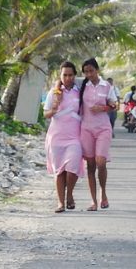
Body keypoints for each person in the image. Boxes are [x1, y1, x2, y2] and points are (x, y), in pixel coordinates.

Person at [43, 61, 84, 213]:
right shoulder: (53, 93)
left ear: (75, 76)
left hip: (74, 135)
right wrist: (54, 107)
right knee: (59, 170)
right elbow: (46, 114)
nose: (68, 78)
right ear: (60, 76)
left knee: (72, 168)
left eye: (70, 75)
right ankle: (60, 202)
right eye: (65, 75)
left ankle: (70, 194)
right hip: (56, 135)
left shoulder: (79, 92)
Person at [79, 58, 117, 211]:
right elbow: (62, 81)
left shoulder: (106, 86)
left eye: (91, 71)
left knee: (101, 162)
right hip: (86, 128)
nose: (89, 74)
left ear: (97, 70)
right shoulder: (81, 84)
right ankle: (93, 201)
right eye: (86, 72)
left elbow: (114, 105)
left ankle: (103, 193)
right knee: (90, 165)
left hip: (103, 128)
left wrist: (103, 108)